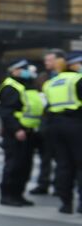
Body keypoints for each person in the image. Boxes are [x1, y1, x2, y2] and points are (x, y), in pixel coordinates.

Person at [0, 59, 42, 206]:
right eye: (24, 68)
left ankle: (18, 194)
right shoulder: (10, 87)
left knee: (25, 166)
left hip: (28, 132)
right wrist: (17, 129)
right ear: (14, 70)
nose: (28, 71)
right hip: (16, 133)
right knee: (13, 166)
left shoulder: (25, 85)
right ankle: (7, 195)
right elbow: (6, 112)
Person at [42, 51, 82, 214]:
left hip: (55, 126)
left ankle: (66, 203)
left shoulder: (51, 83)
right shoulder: (78, 79)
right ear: (75, 64)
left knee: (63, 164)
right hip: (76, 124)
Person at [32, 49, 68, 195]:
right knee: (45, 156)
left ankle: (60, 185)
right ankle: (43, 183)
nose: (46, 63)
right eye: (46, 60)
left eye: (50, 60)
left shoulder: (68, 76)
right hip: (46, 122)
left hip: (65, 120)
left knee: (63, 157)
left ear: (60, 60)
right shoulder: (43, 77)